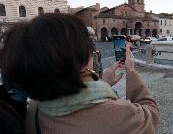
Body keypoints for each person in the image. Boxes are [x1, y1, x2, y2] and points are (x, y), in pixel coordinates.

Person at [0, 14, 160, 134]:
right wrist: (131, 71)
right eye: (90, 49)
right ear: (82, 59)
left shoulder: (34, 108)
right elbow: (151, 115)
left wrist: (103, 83)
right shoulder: (118, 115)